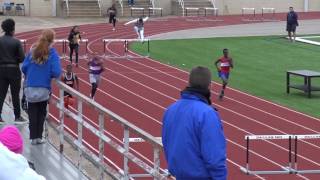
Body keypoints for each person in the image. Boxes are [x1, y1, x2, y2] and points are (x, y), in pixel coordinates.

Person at [162, 66, 227, 180]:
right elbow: (214, 158)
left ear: (188, 83)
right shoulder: (207, 114)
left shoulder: (170, 110)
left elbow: (167, 144)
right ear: (210, 85)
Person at [22, 29, 61, 145]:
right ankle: (39, 137)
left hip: (30, 86)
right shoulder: (52, 53)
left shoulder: (33, 50)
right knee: (41, 112)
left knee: (32, 112)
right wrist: (49, 74)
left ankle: (33, 138)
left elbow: (24, 67)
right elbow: (56, 71)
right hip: (44, 87)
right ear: (52, 40)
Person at [0, 18, 25, 124]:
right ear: (12, 29)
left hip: (1, 70)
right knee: (15, 94)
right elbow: (22, 58)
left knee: (1, 94)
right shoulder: (16, 42)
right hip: (14, 70)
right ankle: (17, 116)